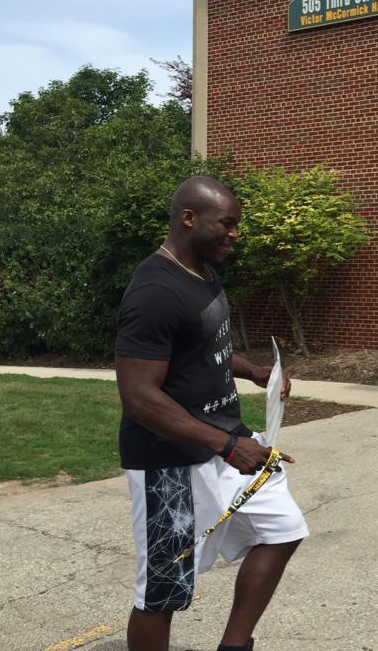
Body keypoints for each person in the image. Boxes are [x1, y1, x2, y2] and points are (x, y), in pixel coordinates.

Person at [115, 176, 309, 651]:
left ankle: (234, 645)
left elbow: (208, 347)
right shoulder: (154, 291)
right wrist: (224, 445)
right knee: (163, 589)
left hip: (225, 443)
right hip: (170, 462)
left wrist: (256, 372)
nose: (234, 233)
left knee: (283, 529)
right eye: (227, 223)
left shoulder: (202, 271)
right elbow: (139, 396)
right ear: (188, 218)